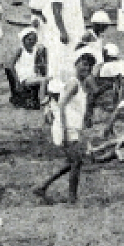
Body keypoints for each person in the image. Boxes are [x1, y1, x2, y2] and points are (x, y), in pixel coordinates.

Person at [32, 52, 95, 204]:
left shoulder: (80, 85)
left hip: (73, 128)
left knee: (72, 162)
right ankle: (72, 198)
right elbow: (61, 105)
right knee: (76, 162)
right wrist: (64, 130)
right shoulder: (73, 84)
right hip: (66, 127)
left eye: (89, 66)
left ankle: (43, 186)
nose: (86, 68)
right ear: (76, 64)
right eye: (83, 64)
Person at [42, 0, 88, 80]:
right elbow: (56, 12)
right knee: (60, 57)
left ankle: (71, 82)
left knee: (73, 55)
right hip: (64, 28)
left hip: (74, 26)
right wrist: (62, 31)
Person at [5, 27, 49, 109]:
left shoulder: (35, 50)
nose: (32, 42)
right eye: (29, 39)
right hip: (24, 78)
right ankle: (42, 100)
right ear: (23, 40)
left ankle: (43, 98)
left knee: (48, 78)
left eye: (34, 40)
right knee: (43, 80)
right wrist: (17, 81)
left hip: (32, 75)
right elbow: (11, 65)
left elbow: (37, 63)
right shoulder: (21, 50)